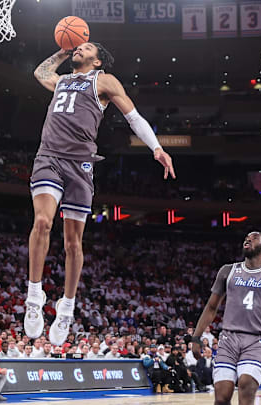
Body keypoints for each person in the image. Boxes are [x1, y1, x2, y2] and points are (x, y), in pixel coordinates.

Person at [25, 42, 176, 345]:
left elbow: (133, 117)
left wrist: (156, 148)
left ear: (98, 62)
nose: (80, 49)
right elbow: (40, 72)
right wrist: (64, 51)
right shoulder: (63, 80)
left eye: (86, 47)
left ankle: (66, 307)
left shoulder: (104, 81)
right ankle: (34, 297)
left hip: (79, 165)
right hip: (49, 158)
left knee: (72, 242)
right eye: (78, 46)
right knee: (42, 222)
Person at [191, 231, 261, 405]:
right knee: (221, 398)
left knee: (246, 384)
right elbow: (211, 307)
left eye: (254, 238)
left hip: (257, 340)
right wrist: (196, 337)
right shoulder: (228, 271)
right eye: (246, 237)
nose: (248, 239)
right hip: (228, 339)